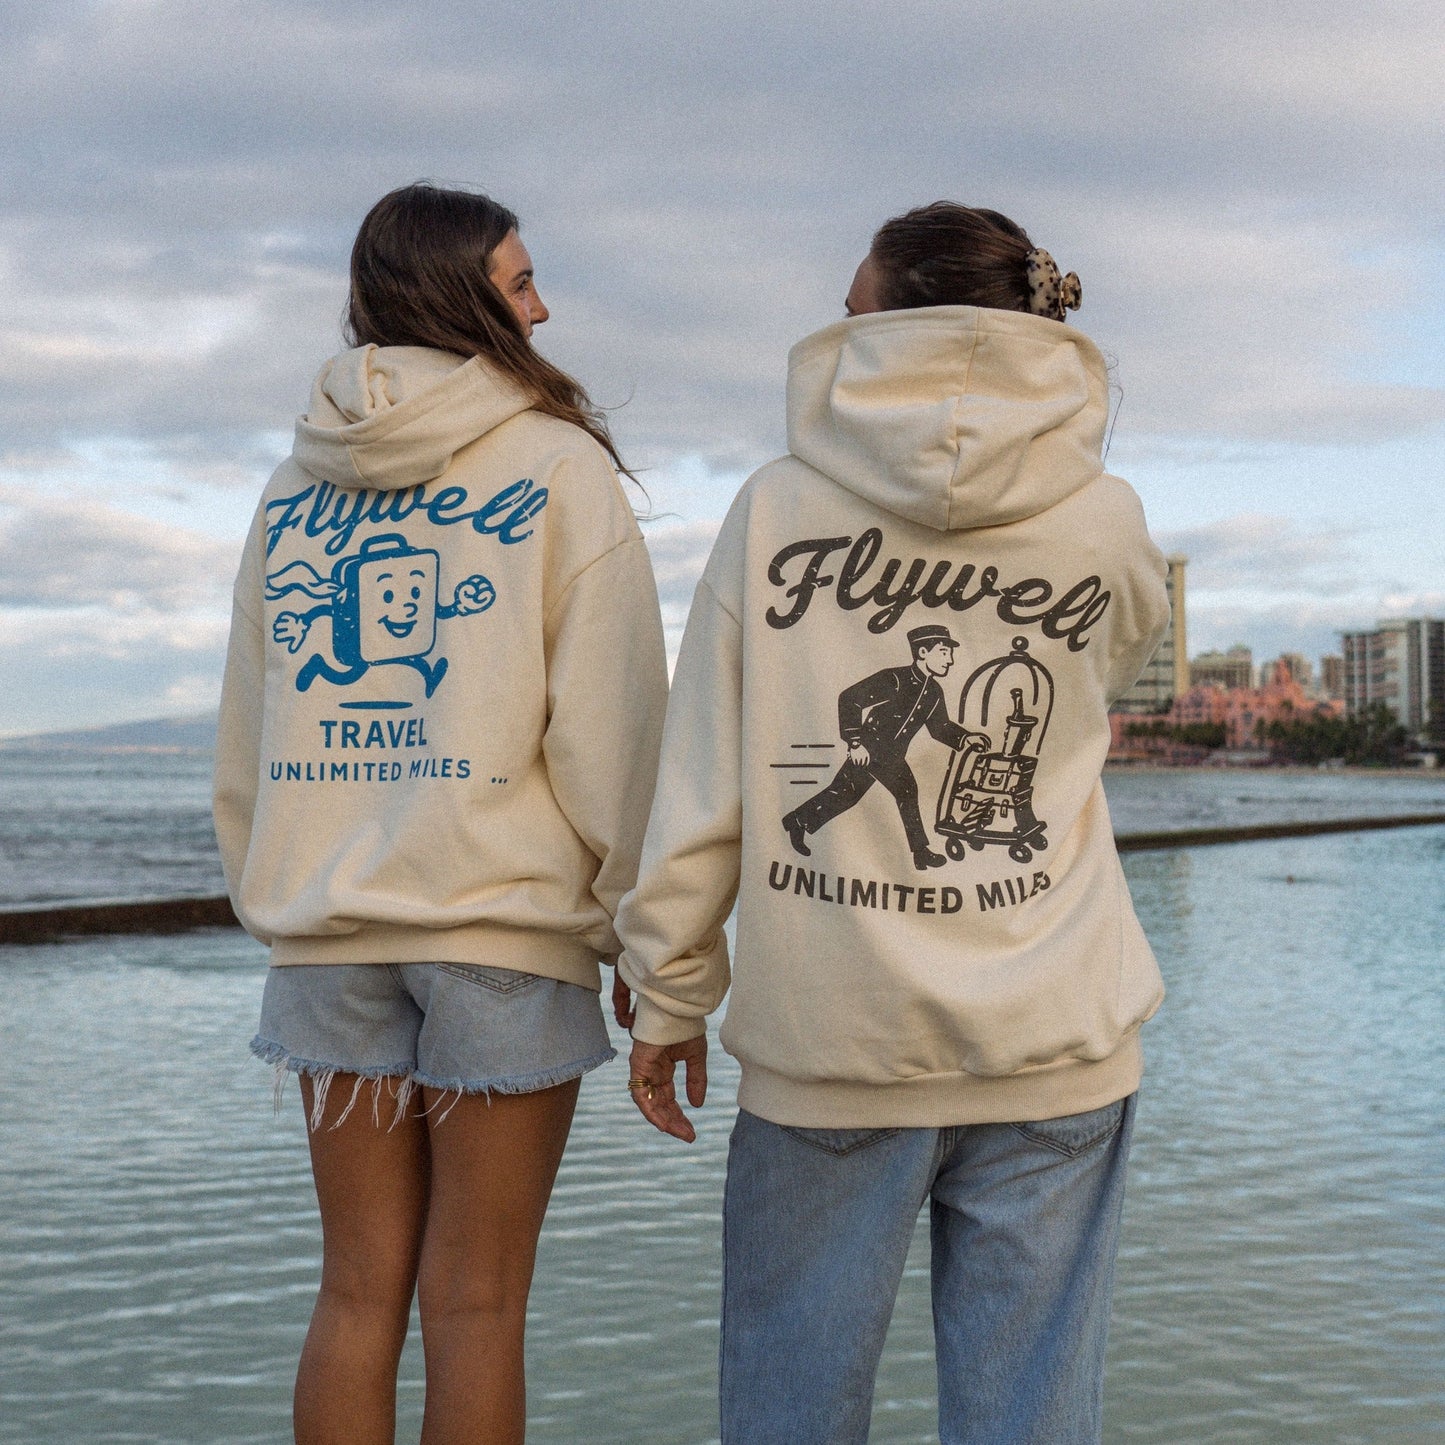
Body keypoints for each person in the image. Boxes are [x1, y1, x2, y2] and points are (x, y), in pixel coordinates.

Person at [614, 202, 1171, 1444]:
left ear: (893, 318)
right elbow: (1099, 695)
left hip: (832, 1039)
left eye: (854, 302)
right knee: (1030, 1418)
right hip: (1056, 1029)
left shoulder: (776, 510)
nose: (842, 318)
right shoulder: (1107, 519)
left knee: (789, 1413)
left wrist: (670, 992)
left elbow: (704, 775)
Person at [214, 182, 667, 1445]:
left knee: (355, 1290)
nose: (543, 305)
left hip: (327, 931)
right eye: (521, 283)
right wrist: (646, 935)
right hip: (501, 935)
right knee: (475, 1304)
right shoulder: (559, 463)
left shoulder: (289, 489)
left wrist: (281, 893)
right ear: (462, 296)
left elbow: (248, 732)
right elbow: (614, 736)